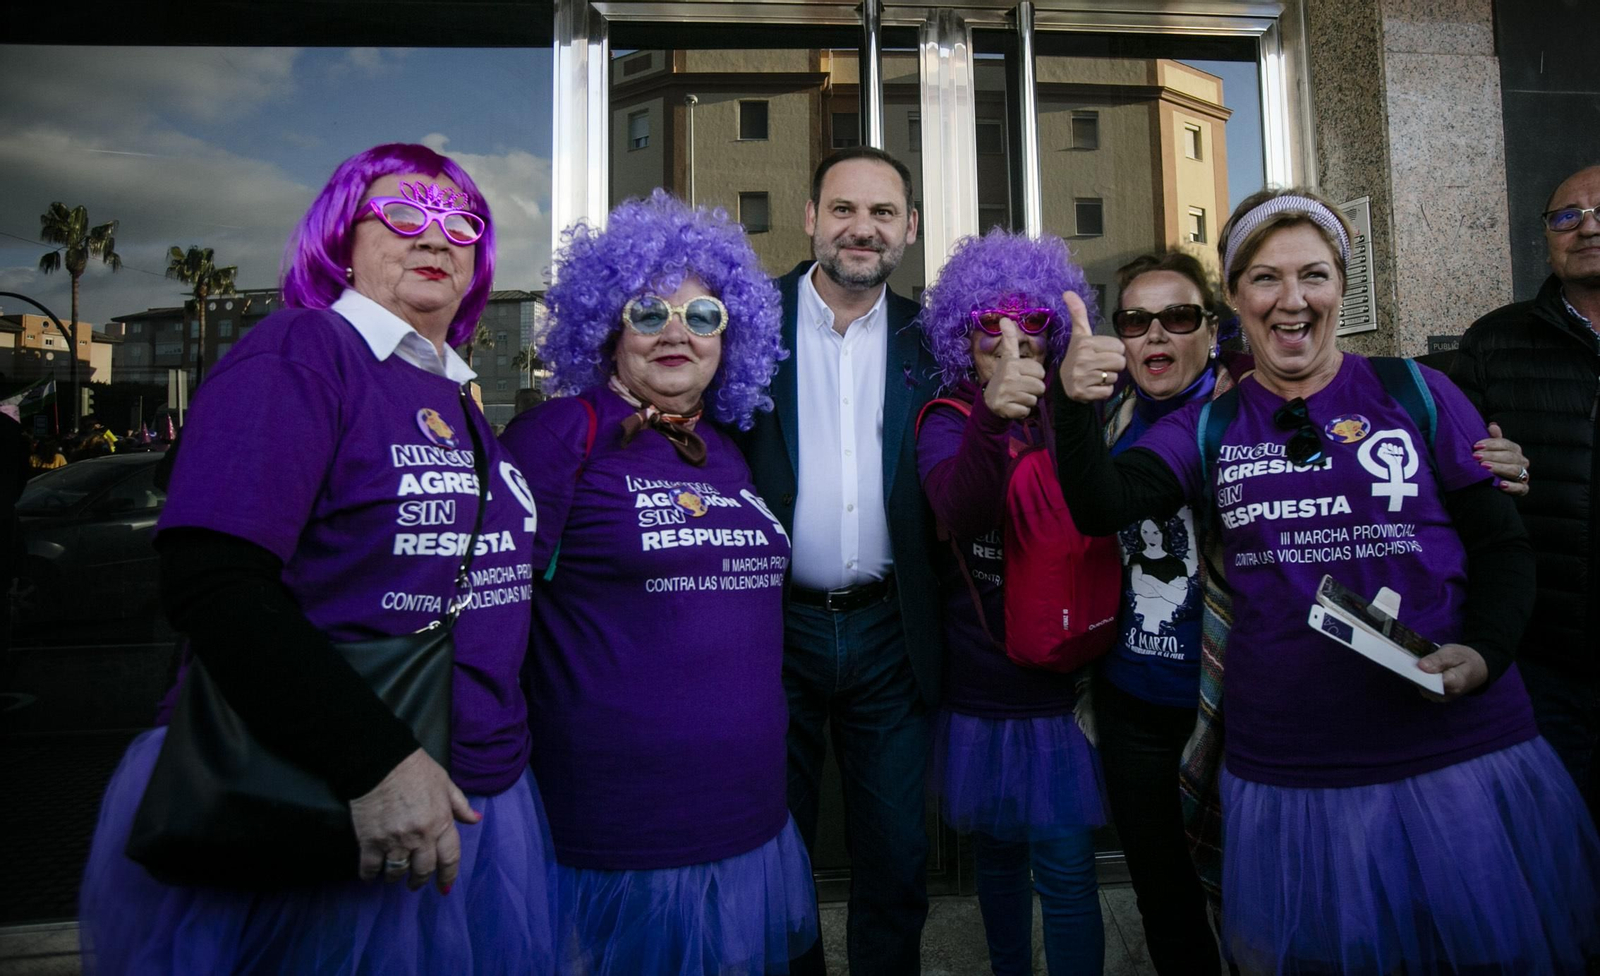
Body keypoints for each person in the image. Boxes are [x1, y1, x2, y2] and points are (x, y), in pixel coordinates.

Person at [1051, 186, 1600, 973]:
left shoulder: (1417, 390)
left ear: (1342, 286)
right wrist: (1076, 405)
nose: (1291, 298)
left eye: (1313, 274)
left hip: (1458, 752)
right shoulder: (1206, 425)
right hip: (1296, 768)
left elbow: (1504, 548)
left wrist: (1484, 652)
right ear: (1236, 301)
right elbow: (1103, 504)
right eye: (1265, 279)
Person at [77, 143, 560, 974]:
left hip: (469, 794)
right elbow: (214, 581)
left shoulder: (450, 390)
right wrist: (372, 761)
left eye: (461, 222)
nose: (435, 235)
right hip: (328, 785)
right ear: (342, 237)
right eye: (403, 214)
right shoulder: (303, 350)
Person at [500, 189, 815, 975]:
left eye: (704, 317)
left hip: (747, 810)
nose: (678, 332)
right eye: (649, 312)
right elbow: (489, 615)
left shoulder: (728, 451)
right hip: (616, 822)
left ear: (728, 338)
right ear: (608, 326)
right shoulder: (556, 436)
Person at [736, 146, 945, 975]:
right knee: (771, 849)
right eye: (845, 210)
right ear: (812, 218)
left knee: (896, 856)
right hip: (769, 630)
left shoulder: (935, 341)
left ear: (910, 229)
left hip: (890, 631)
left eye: (883, 213)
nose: (864, 229)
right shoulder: (746, 321)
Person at [914, 230, 1106, 976]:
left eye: (1031, 322)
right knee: (997, 868)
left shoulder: (1072, 412)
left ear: (1053, 333)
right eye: (987, 324)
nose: (1010, 339)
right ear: (961, 337)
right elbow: (960, 511)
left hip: (1065, 689)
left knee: (1064, 874)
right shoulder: (946, 418)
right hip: (984, 688)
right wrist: (994, 416)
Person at [1451, 163, 1600, 823]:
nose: (1586, 226)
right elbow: (1459, 491)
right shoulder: (1495, 341)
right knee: (1562, 855)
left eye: (1599, 212)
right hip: (1546, 660)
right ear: (1546, 236)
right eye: (1567, 215)